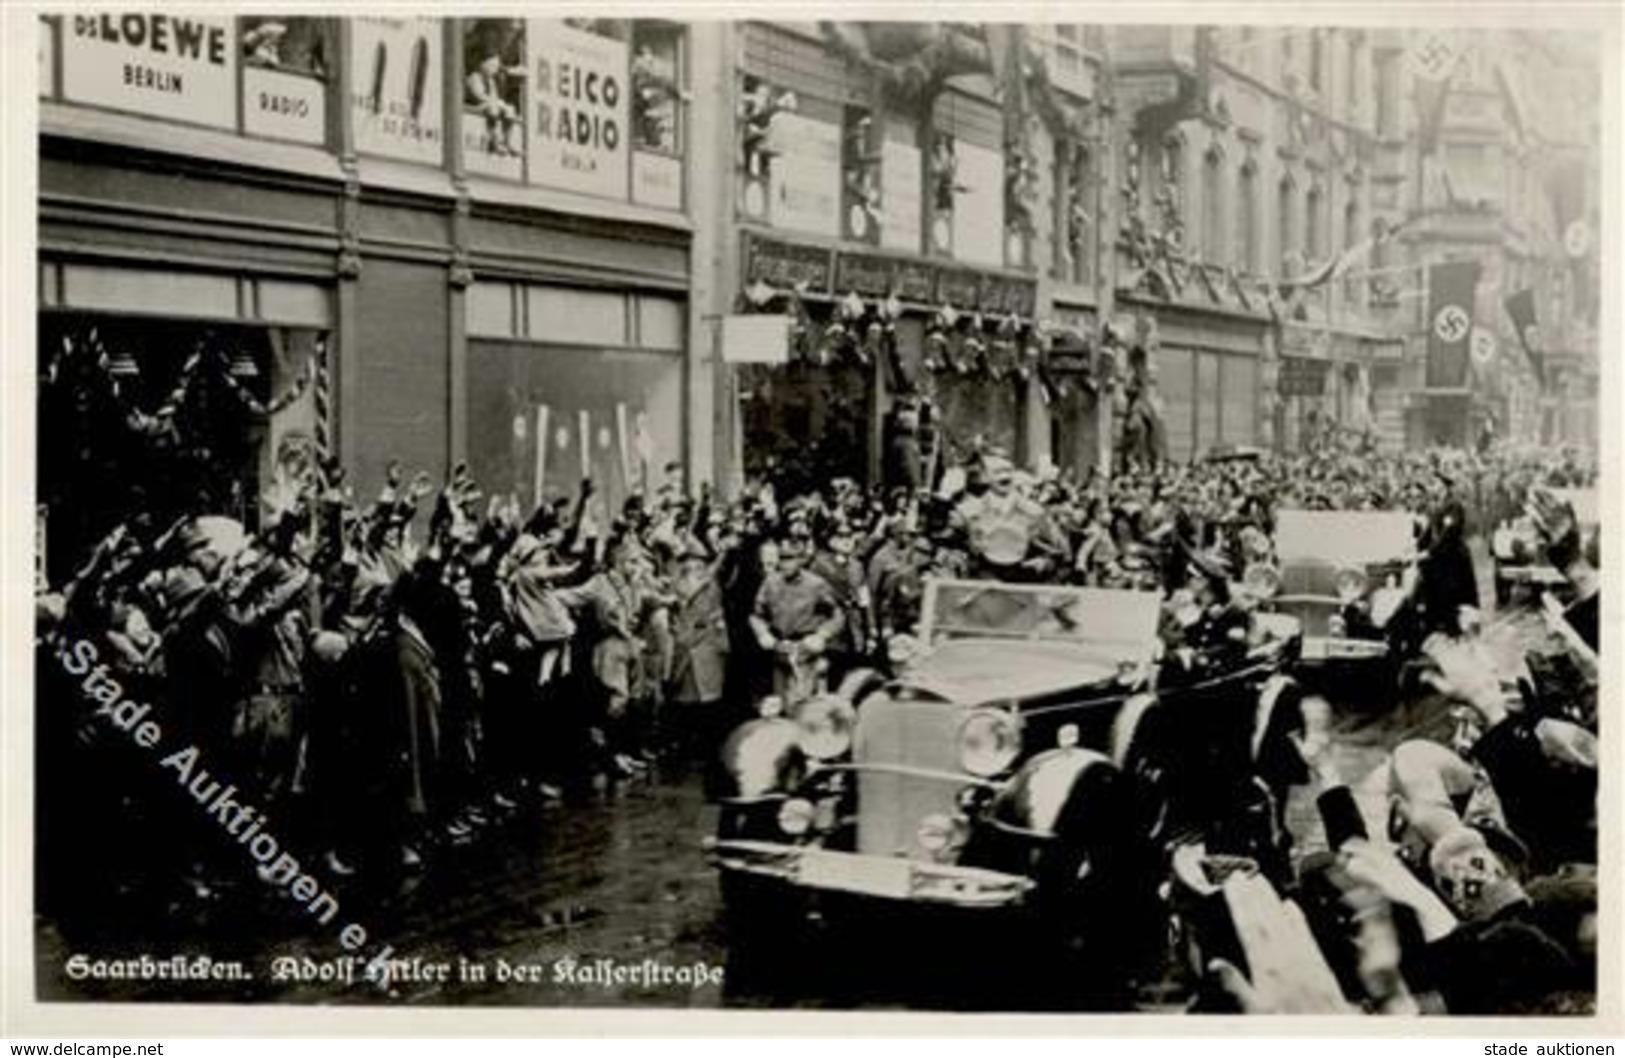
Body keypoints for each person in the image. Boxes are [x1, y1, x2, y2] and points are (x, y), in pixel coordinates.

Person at [749, 534, 844, 703]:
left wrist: (822, 635)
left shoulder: (816, 585)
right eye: (782, 558)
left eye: (790, 559)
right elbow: (756, 615)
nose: (784, 563)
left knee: (805, 705)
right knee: (781, 705)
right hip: (779, 651)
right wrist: (762, 633)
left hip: (806, 651)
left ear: (801, 560)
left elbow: (837, 615)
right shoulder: (771, 582)